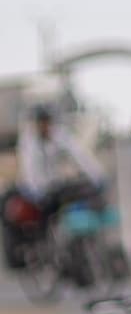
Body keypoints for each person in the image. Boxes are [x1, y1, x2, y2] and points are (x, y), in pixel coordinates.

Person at [4, 104, 105, 267]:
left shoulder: (60, 136)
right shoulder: (28, 142)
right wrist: (39, 192)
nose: (45, 126)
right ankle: (43, 250)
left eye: (47, 122)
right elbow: (30, 171)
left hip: (54, 187)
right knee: (43, 217)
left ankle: (71, 248)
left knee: (74, 199)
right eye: (41, 122)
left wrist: (96, 175)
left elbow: (79, 155)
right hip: (34, 190)